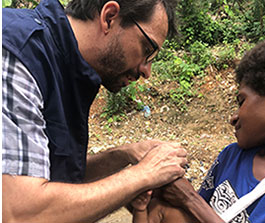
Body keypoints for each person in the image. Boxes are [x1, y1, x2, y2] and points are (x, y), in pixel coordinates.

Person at [2, 0, 188, 222]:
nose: (146, 71)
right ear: (109, 17)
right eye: (146, 49)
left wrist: (122, 155)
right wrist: (144, 174)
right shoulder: (17, 52)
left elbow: (57, 176)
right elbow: (20, 212)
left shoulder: (69, 69)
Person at [136, 33, 265, 222]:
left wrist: (189, 198)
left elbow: (197, 208)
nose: (234, 118)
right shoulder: (231, 156)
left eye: (241, 101)